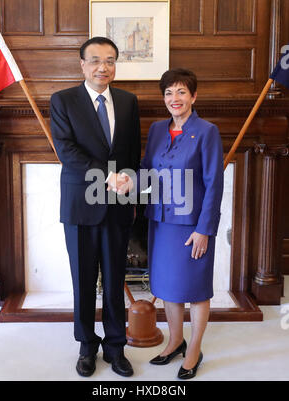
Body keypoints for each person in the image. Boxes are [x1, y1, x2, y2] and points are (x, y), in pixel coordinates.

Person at [110, 68, 223, 379]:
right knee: (169, 288)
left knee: (196, 290)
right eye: (169, 93)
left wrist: (205, 229)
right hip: (160, 221)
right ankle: (175, 341)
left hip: (192, 225)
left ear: (193, 96)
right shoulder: (159, 129)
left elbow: (214, 184)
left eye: (181, 92)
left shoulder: (207, 131)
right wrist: (127, 181)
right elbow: (147, 169)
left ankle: (194, 350)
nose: (175, 99)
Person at [50, 37, 141, 378]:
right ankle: (87, 346)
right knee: (84, 281)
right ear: (82, 65)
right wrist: (108, 176)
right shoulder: (63, 100)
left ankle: (116, 347)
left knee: (116, 279)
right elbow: (67, 151)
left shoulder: (129, 102)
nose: (104, 67)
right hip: (80, 206)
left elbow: (133, 152)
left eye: (110, 60)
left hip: (118, 205)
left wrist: (129, 186)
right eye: (96, 60)